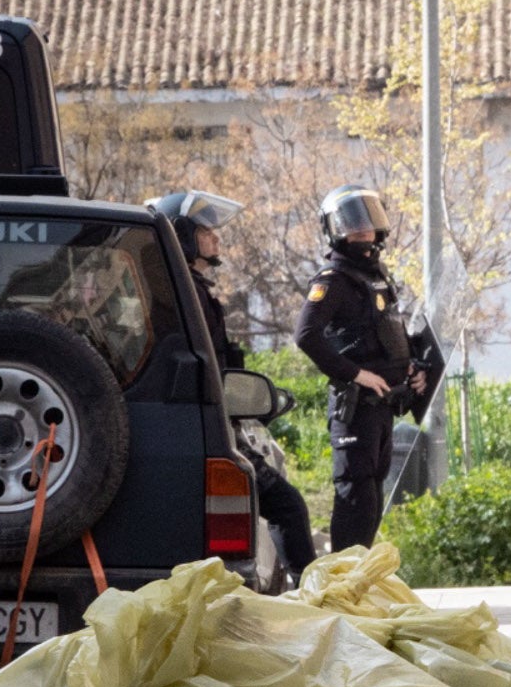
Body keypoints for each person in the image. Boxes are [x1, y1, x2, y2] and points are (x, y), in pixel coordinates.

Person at [148, 190, 317, 582]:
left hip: (197, 426)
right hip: (202, 428)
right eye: (206, 231)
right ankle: (316, 599)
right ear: (183, 235)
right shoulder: (179, 296)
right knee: (287, 505)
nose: (216, 239)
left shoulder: (181, 291)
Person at [293, 185, 425, 552]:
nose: (364, 229)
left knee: (370, 499)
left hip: (383, 406)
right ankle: (341, 586)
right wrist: (354, 373)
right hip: (355, 407)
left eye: (369, 220)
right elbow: (305, 335)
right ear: (336, 229)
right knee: (355, 497)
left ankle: (359, 584)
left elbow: (389, 333)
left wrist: (413, 366)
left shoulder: (377, 276)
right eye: (353, 222)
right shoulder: (333, 280)